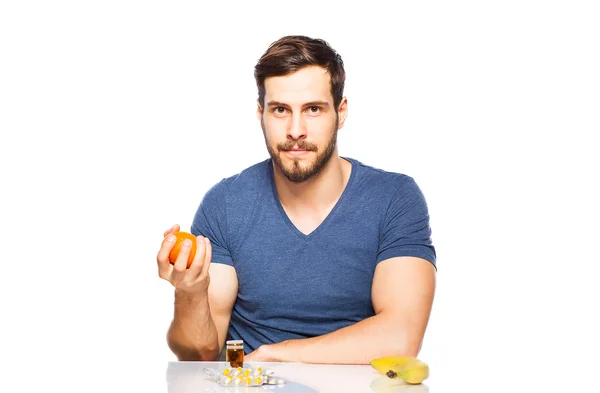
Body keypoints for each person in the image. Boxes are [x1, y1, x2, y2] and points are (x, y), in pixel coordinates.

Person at [156, 35, 437, 365]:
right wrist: (191, 293)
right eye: (280, 110)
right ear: (260, 113)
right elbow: (199, 352)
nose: (295, 130)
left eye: (313, 109)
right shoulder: (226, 204)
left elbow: (401, 336)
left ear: (341, 112)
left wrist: (278, 354)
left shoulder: (394, 199)